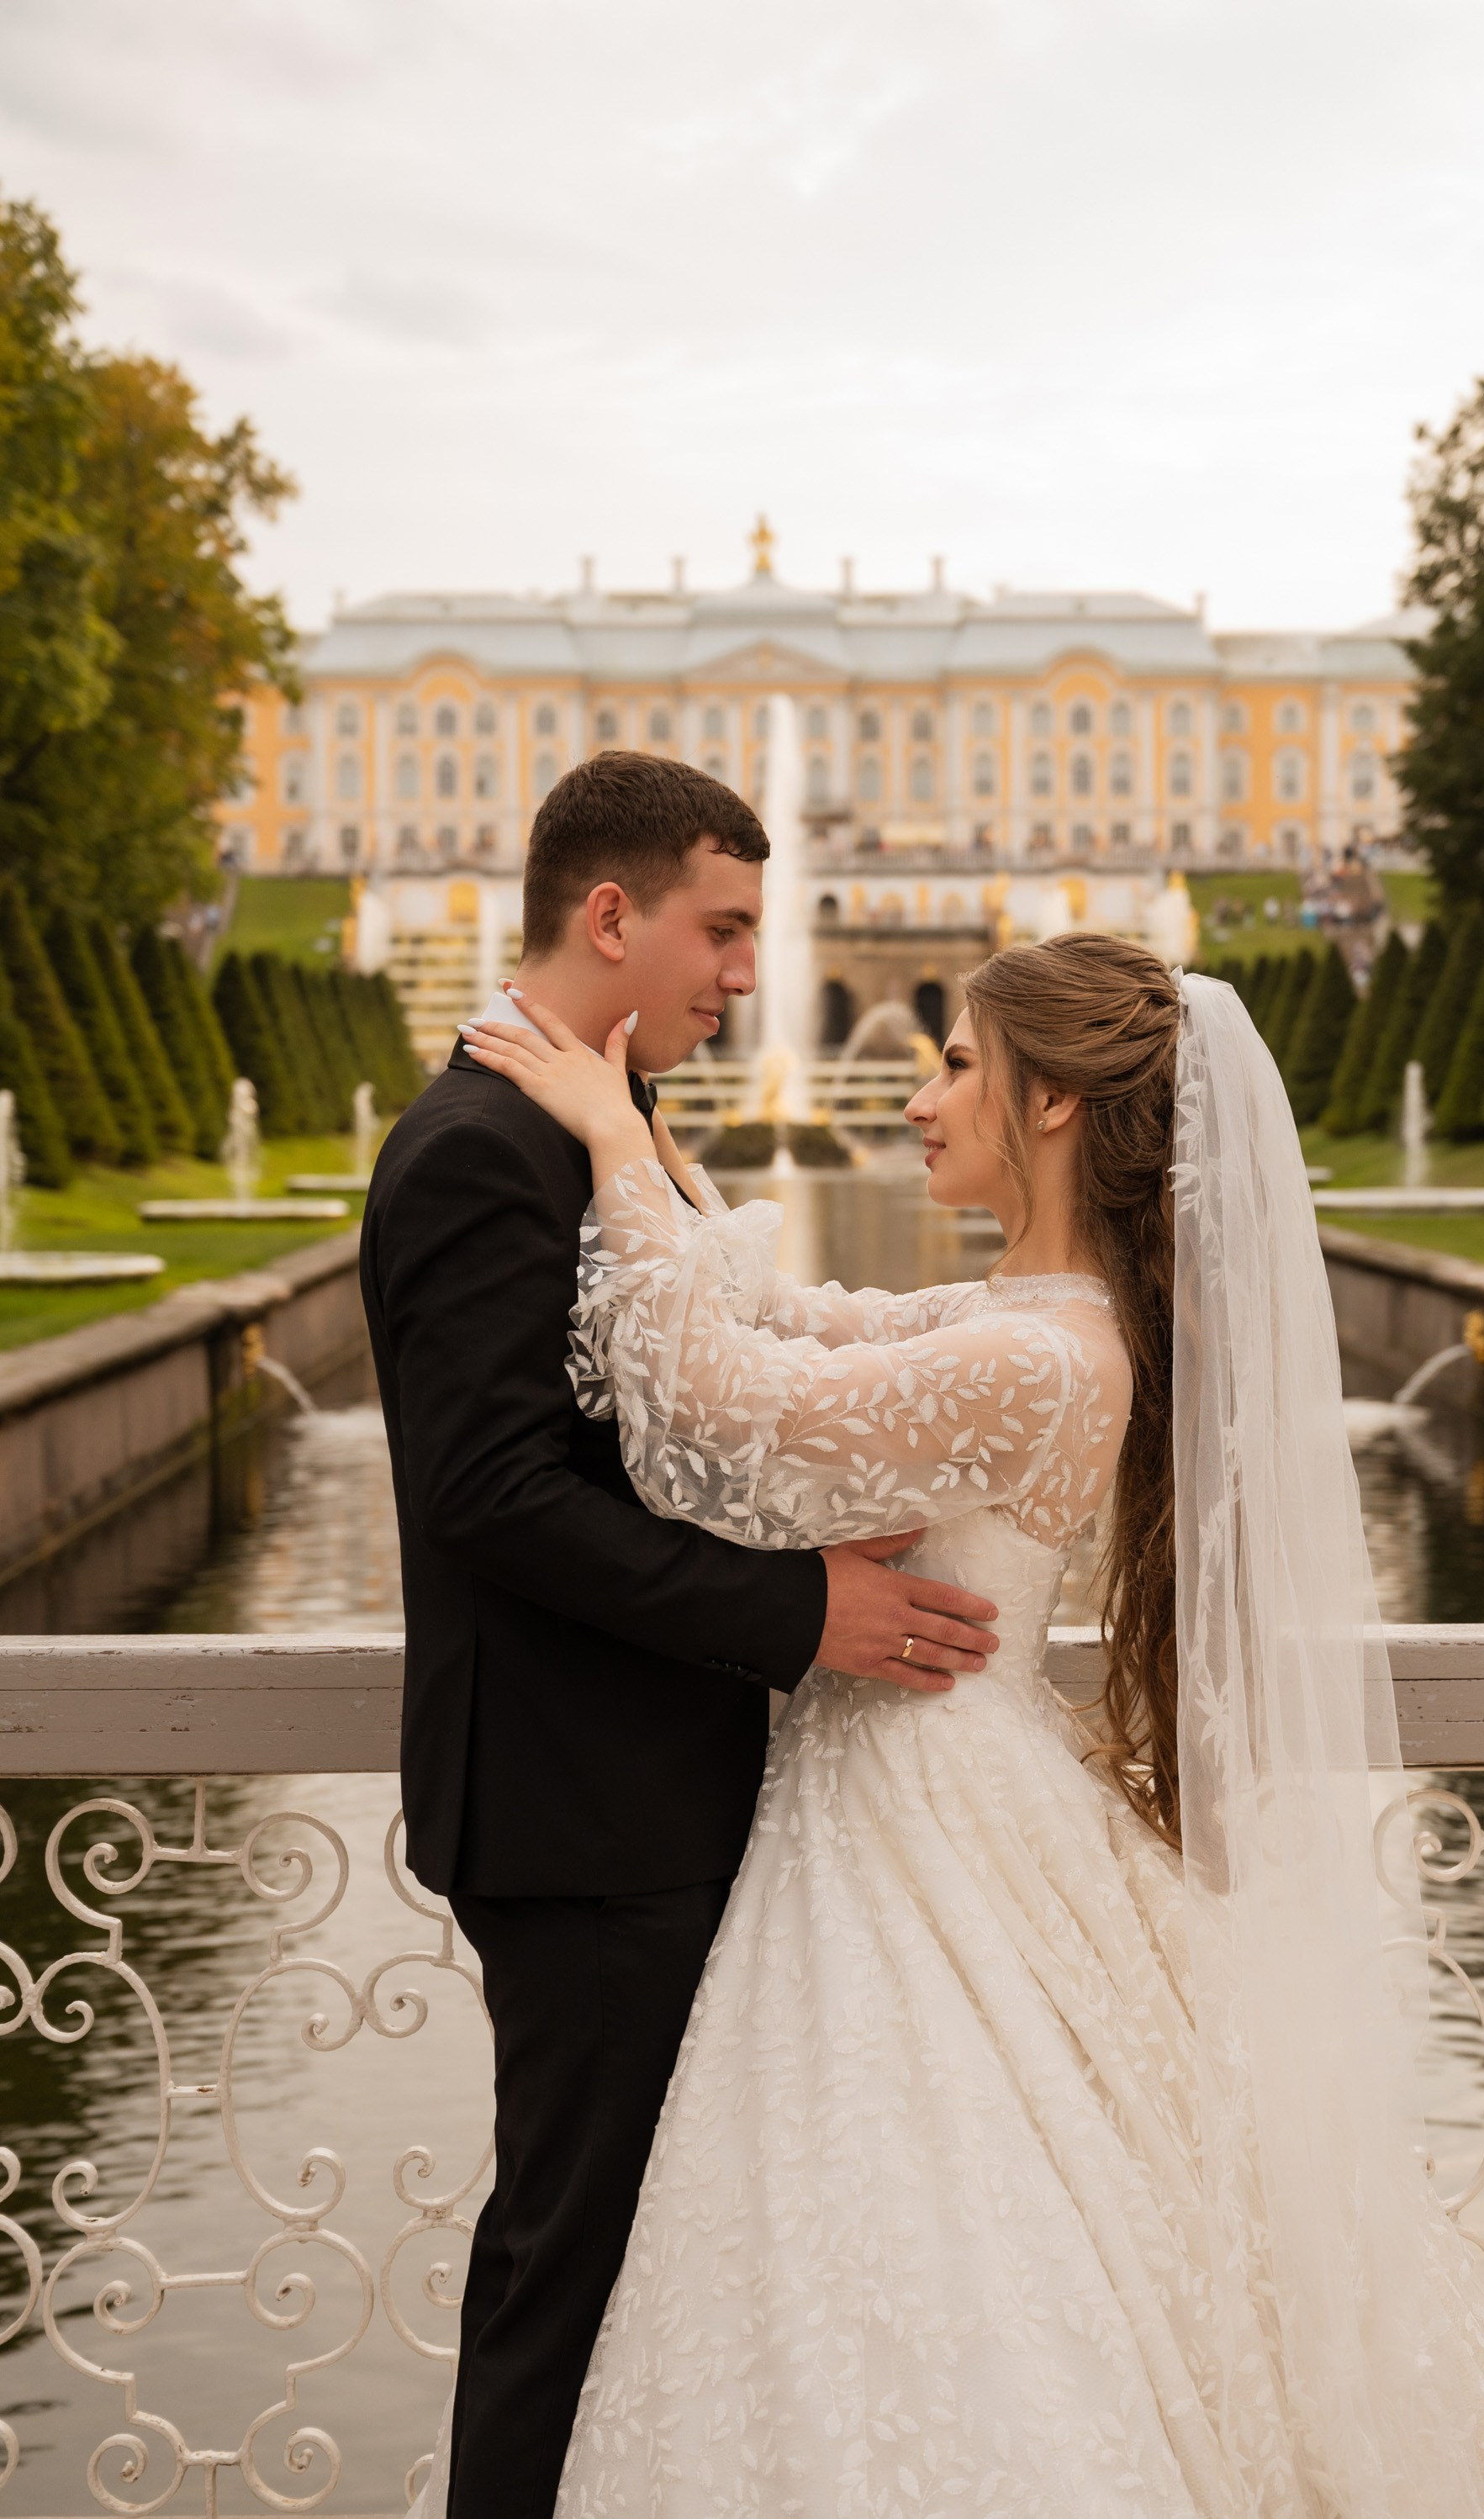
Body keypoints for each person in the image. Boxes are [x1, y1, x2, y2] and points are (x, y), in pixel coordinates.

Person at [459, 933, 1484, 2517]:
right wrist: (662, 1157)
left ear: (1061, 1103)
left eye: (958, 1064)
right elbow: (804, 1321)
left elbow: (713, 1404)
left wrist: (603, 1146)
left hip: (916, 1801)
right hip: (921, 1779)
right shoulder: (1033, 1315)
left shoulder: (1035, 1354)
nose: (924, 1093)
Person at [362, 752, 1000, 2519]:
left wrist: (811, 1517)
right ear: (611, 913)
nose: (741, 972)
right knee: (570, 2281)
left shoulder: (598, 1128)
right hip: (582, 1817)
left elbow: (662, 1437)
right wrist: (803, 1607)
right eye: (721, 931)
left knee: (665, 2282)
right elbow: (492, 1496)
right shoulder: (482, 1149)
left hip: (653, 1791)